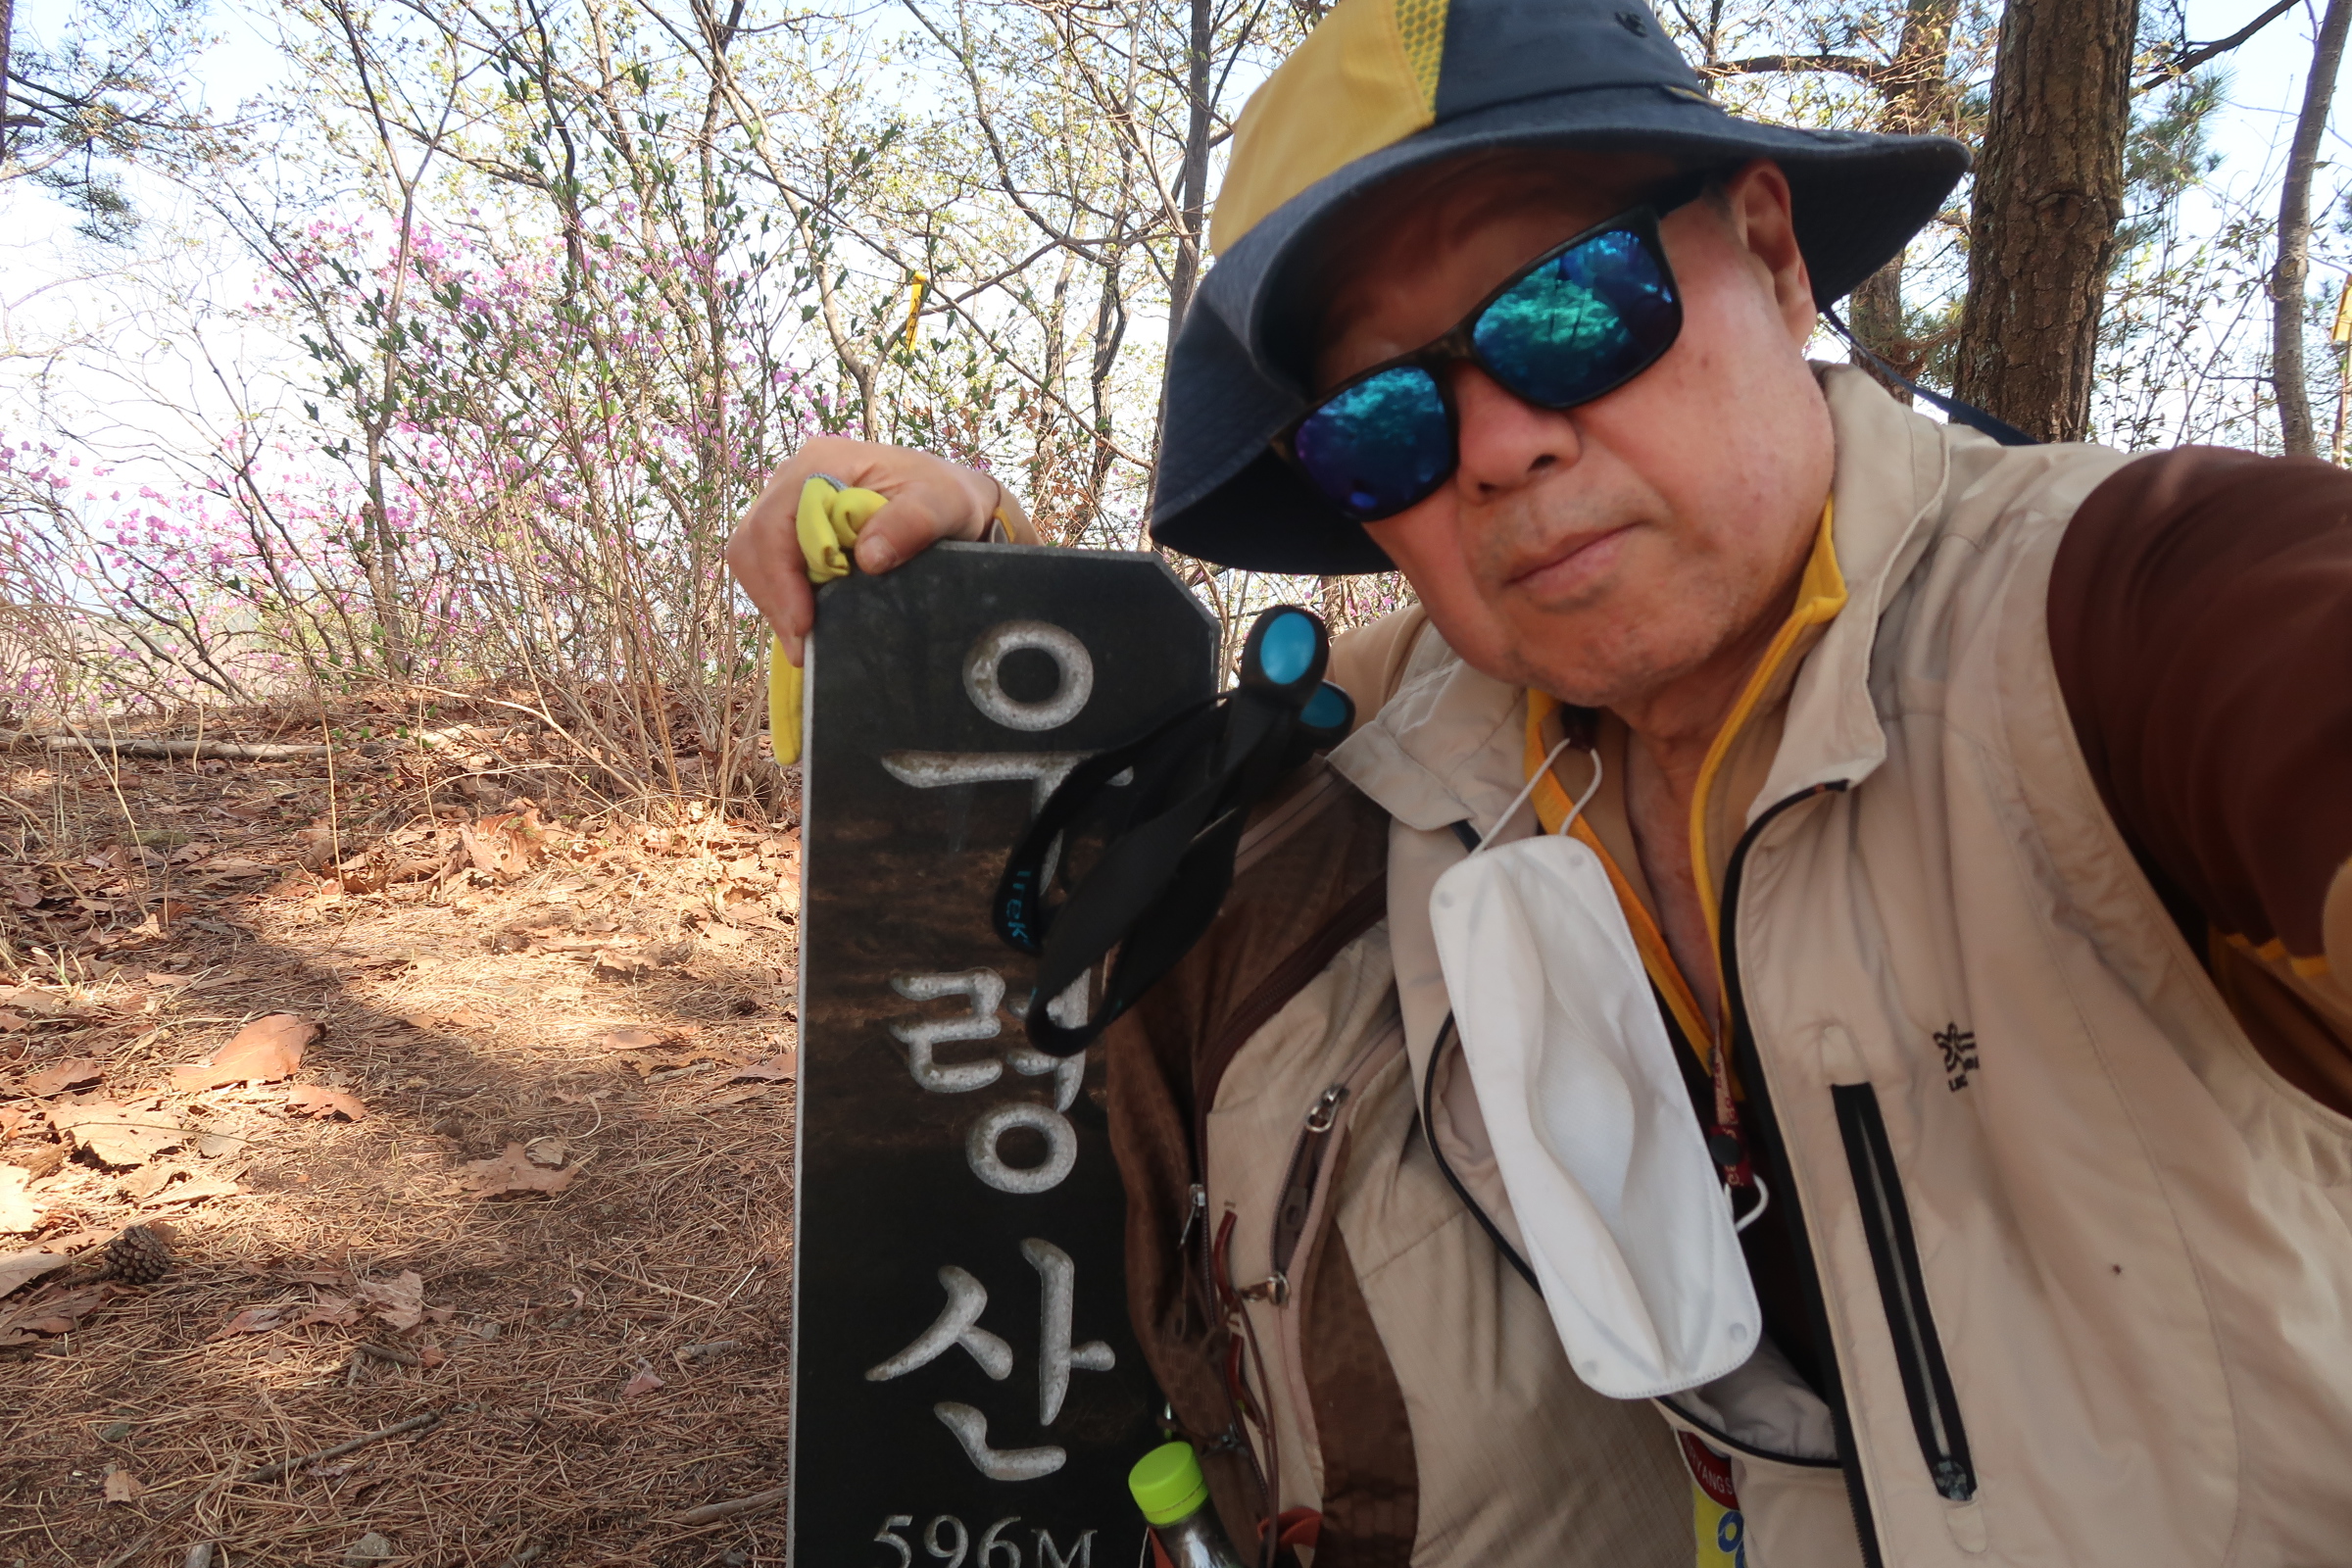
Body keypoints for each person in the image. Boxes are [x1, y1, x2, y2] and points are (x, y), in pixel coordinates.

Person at [730, 0, 2352, 1561]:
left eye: (1573, 309)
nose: (1502, 446)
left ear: (1772, 255)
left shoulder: (2118, 619)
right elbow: (1136, 828)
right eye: (1381, 421)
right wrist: (978, 610)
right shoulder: (1413, 730)